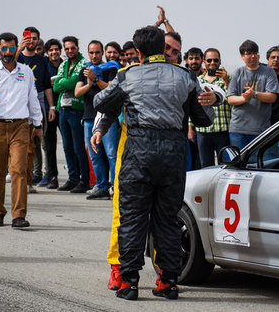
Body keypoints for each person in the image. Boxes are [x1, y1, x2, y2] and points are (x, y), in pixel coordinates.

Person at [90, 26, 214, 300]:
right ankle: (167, 282)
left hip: (138, 154)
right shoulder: (186, 76)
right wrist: (211, 99)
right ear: (163, 47)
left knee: (132, 219)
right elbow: (205, 119)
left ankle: (129, 282)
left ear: (140, 52)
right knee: (167, 220)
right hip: (173, 156)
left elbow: (100, 101)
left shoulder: (127, 75)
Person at [0, 32, 43, 228]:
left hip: (20, 127)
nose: (7, 52)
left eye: (11, 48)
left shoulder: (26, 72)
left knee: (19, 170)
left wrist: (37, 125)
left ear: (16, 48)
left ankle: (19, 216)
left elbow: (33, 99)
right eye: (3, 48)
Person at [74, 40, 119, 200]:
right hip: (89, 117)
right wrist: (90, 83)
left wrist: (96, 80)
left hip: (107, 117)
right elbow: (77, 92)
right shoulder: (85, 70)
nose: (94, 56)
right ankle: (101, 186)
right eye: (91, 52)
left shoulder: (111, 68)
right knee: (95, 155)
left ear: (103, 53)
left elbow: (112, 90)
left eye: (97, 52)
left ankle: (115, 187)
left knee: (111, 154)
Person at [17, 26, 56, 192]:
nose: (31, 41)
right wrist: (18, 48)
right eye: (28, 38)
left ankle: (30, 179)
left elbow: (47, 84)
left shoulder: (42, 60)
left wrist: (51, 106)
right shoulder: (17, 57)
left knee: (35, 143)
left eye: (34, 38)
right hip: (18, 103)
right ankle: (21, 179)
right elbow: (5, 66)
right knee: (20, 144)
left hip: (38, 101)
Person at [227, 39, 279, 149]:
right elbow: (230, 99)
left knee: (257, 164)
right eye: (249, 53)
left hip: (260, 130)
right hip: (238, 129)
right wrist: (244, 98)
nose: (253, 56)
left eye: (255, 53)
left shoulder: (269, 72)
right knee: (238, 164)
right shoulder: (238, 72)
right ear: (242, 56)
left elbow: (272, 97)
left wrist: (254, 94)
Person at [54, 36, 90, 193]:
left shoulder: (84, 63)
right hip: (63, 109)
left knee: (78, 147)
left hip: (77, 109)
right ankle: (72, 178)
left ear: (78, 48)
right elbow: (56, 87)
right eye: (67, 48)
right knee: (67, 147)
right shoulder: (63, 64)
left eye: (72, 48)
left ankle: (85, 180)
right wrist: (66, 83)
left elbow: (72, 83)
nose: (69, 51)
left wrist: (64, 82)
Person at [196, 48, 231, 167]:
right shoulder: (198, 81)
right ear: (204, 62)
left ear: (220, 61)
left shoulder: (228, 78)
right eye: (209, 60)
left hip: (222, 129)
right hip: (203, 130)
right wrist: (190, 128)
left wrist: (226, 80)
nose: (212, 63)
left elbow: (231, 99)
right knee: (205, 165)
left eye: (215, 60)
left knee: (226, 165)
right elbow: (193, 104)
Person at [38, 38, 63, 188]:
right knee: (49, 145)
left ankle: (77, 176)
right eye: (51, 50)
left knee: (70, 145)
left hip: (66, 109)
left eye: (56, 49)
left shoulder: (66, 66)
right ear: (47, 53)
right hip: (49, 111)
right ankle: (52, 176)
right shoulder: (44, 67)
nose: (54, 52)